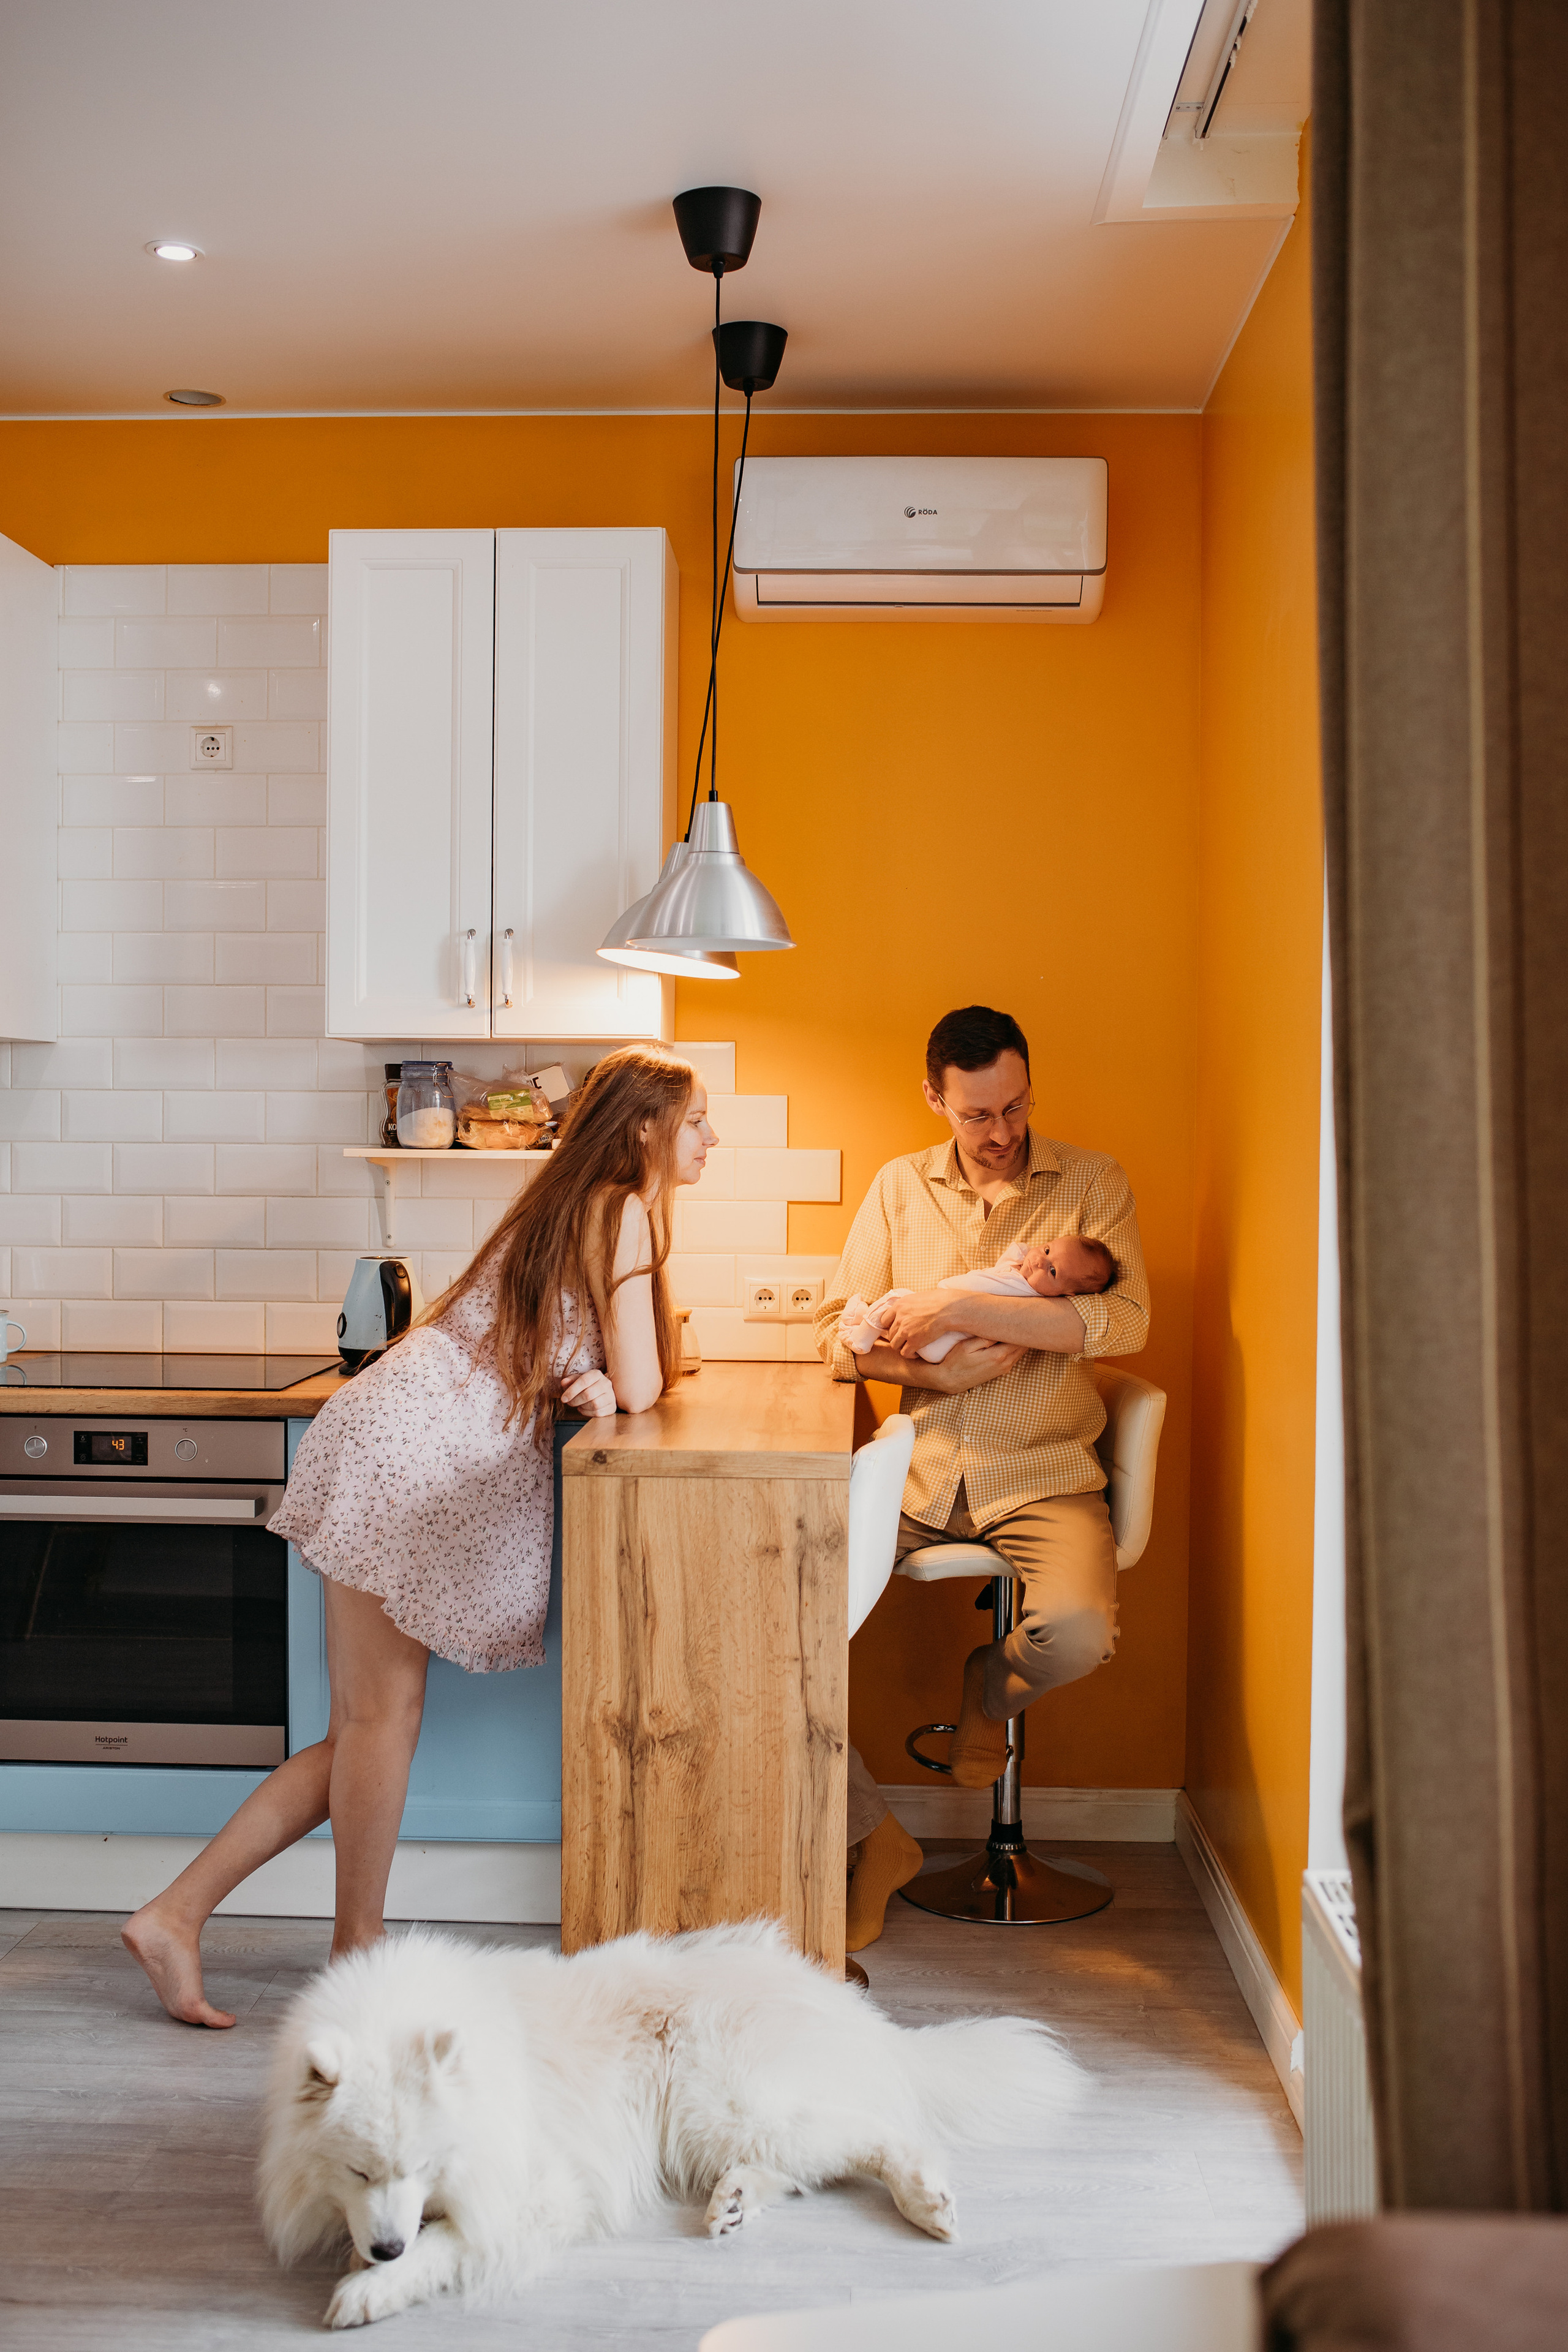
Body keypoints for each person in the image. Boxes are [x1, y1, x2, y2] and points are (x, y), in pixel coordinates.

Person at [123, 1047, 715, 2027]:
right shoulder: (624, 1207)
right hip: (415, 1455)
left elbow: (625, 1361)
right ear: (646, 1128)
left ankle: (180, 1917)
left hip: (385, 1427)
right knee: (375, 1725)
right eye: (697, 1122)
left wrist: (606, 1377)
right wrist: (615, 1384)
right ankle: (349, 1955)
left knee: (361, 1726)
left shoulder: (570, 1201)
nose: (711, 1140)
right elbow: (649, 1383)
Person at [813, 1005, 1150, 1951]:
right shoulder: (894, 1190)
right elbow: (835, 1341)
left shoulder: (1092, 1184)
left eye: (1014, 1107)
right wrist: (931, 1372)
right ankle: (870, 1838)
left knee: (1079, 1636)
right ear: (936, 1099)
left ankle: (983, 1693)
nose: (1000, 1134)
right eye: (976, 1116)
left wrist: (960, 1301)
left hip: (1044, 1471)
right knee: (771, 1633)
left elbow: (1122, 1324)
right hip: (913, 1478)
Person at [838, 1232, 1114, 1362]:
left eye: (1053, 1271)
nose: (1040, 1262)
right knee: (901, 1319)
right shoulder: (1022, 1278)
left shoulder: (1036, 1303)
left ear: (1068, 1294)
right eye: (1046, 1249)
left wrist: (949, 1311)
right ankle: (864, 1320)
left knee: (898, 1299)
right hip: (936, 1346)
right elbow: (1010, 1260)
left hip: (947, 1343)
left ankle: (863, 1336)